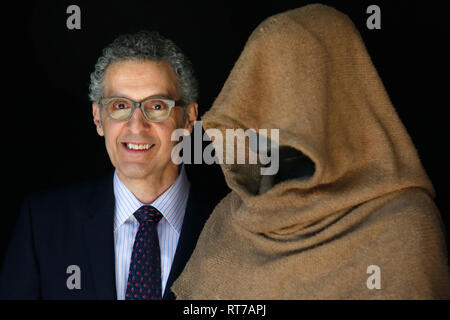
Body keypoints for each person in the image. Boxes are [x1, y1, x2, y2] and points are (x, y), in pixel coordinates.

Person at [172, 4, 450, 299]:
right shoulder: (229, 218)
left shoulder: (403, 229)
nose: (263, 115)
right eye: (257, 89)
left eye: (289, 91)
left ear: (338, 94)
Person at [0, 30, 215, 300]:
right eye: (120, 105)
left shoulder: (234, 226)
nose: (137, 125)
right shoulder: (42, 224)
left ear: (188, 119)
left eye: (157, 105)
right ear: (98, 118)